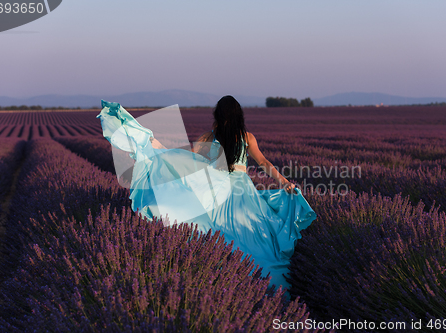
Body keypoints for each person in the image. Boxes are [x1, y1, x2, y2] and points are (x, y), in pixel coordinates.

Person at [97, 95, 316, 291]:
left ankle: (224, 275)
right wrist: (284, 182)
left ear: (217, 115)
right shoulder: (247, 137)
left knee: (217, 229)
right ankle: (262, 279)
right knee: (254, 233)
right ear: (239, 114)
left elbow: (185, 156)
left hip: (215, 187)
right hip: (242, 189)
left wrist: (154, 146)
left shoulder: (210, 136)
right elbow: (263, 163)